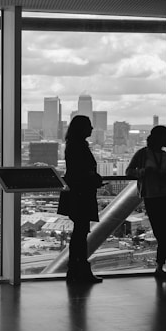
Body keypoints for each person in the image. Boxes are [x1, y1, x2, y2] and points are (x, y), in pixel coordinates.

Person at [126, 125, 166, 279]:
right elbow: (129, 172)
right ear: (159, 138)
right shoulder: (143, 154)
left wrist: (160, 174)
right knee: (161, 233)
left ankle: (160, 266)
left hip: (165, 197)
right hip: (155, 197)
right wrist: (144, 172)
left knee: (162, 234)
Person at [57, 115, 104, 284]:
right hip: (81, 194)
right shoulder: (79, 146)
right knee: (80, 233)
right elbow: (81, 171)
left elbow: (75, 170)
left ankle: (75, 269)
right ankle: (80, 269)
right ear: (82, 129)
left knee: (79, 233)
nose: (92, 129)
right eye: (89, 126)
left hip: (76, 193)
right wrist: (93, 178)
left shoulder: (72, 145)